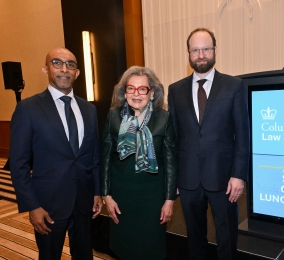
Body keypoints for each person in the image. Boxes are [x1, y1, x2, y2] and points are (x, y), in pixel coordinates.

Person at [10, 47, 102, 260]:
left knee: (84, 255)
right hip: (48, 205)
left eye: (70, 64)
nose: (64, 69)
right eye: (57, 63)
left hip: (83, 201)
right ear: (46, 69)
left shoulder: (89, 109)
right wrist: (32, 206)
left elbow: (94, 155)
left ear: (77, 73)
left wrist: (97, 191)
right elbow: (19, 163)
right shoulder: (28, 108)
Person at [167, 28, 250, 259]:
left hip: (224, 179)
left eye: (206, 49)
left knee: (227, 238)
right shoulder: (175, 90)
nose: (201, 54)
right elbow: (173, 138)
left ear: (214, 50)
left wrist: (239, 175)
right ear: (188, 53)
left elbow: (243, 136)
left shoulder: (234, 86)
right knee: (194, 238)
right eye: (196, 50)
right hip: (188, 180)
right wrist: (173, 180)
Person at [100, 66, 177, 260]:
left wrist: (169, 200)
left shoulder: (164, 118)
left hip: (152, 197)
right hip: (121, 195)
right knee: (124, 249)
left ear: (151, 93)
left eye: (142, 89)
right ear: (124, 92)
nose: (136, 94)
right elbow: (106, 158)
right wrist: (107, 196)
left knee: (151, 249)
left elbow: (170, 162)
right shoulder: (113, 115)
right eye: (131, 88)